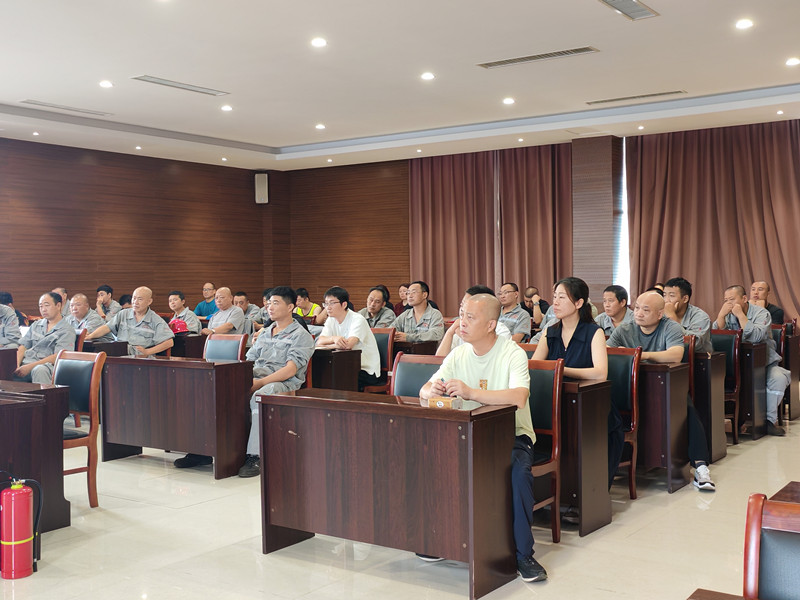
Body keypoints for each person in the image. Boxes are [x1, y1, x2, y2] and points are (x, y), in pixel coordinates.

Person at [419, 294, 546, 583]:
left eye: (470, 317)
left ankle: (523, 555)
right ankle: (439, 540)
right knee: (429, 461)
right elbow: (424, 389)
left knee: (518, 474)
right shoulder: (458, 353)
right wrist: (431, 391)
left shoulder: (512, 353)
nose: (461, 323)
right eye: (461, 315)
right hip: (467, 434)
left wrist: (471, 392)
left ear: (490, 325)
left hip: (511, 436)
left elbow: (519, 397)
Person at [609, 291, 716, 490]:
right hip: (630, 387)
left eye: (646, 310)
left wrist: (639, 355)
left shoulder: (670, 327)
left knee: (686, 409)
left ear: (660, 314)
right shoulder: (624, 329)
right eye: (637, 308)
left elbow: (675, 354)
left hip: (665, 385)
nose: (638, 313)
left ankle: (701, 467)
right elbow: (608, 352)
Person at [533, 278, 609, 495]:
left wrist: (561, 370)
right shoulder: (549, 332)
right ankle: (549, 492)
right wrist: (555, 370)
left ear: (578, 303)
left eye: (562, 297)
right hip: (554, 402)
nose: (555, 302)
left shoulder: (594, 332)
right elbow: (536, 366)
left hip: (589, 405)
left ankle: (581, 492)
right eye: (554, 297)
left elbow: (600, 373)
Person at [236, 286, 315, 477]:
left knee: (260, 395)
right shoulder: (265, 332)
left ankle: (255, 456)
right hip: (257, 377)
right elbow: (248, 361)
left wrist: (260, 383)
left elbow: (290, 370)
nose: (270, 307)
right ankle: (209, 452)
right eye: (269, 303)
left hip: (284, 383)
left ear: (290, 307)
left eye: (276, 303)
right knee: (221, 387)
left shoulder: (301, 335)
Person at [716, 285, 788, 436]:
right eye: (726, 300)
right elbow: (717, 336)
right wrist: (721, 316)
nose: (729, 303)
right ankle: (738, 420)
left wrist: (740, 315)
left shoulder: (762, 313)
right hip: (738, 364)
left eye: (732, 299)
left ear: (744, 298)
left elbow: (756, 337)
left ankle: (768, 422)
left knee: (779, 378)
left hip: (764, 363)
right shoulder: (728, 315)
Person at [316, 286, 381, 390]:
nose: (328, 307)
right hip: (345, 365)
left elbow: (348, 345)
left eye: (332, 303)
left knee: (335, 377)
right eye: (326, 304)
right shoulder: (331, 319)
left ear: (344, 304)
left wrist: (331, 345)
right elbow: (320, 341)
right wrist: (334, 339)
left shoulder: (357, 319)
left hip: (365, 369)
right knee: (323, 374)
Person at [86, 287, 174, 356]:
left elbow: (169, 342)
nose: (135, 302)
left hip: (140, 357)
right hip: (120, 353)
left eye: (140, 299)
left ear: (149, 301)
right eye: (134, 298)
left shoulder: (155, 320)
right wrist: (90, 336)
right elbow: (107, 327)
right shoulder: (123, 314)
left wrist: (147, 352)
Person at [14, 292, 76, 383]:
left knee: (39, 370)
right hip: (26, 363)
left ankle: (46, 393)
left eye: (47, 305)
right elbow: (23, 346)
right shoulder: (36, 325)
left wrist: (30, 367)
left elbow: (59, 356)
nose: (43, 309)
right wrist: (16, 365)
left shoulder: (67, 330)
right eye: (40, 306)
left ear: (58, 306)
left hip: (47, 367)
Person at [436, 285, 511, 356]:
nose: (462, 310)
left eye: (470, 315)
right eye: (462, 305)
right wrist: (450, 332)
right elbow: (439, 361)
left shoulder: (502, 332)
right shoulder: (460, 329)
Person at [662, 277, 712, 353]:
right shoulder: (661, 314)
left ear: (685, 299)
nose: (666, 300)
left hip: (697, 358)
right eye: (664, 295)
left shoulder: (701, 317)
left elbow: (695, 344)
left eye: (671, 296)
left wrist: (671, 316)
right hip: (669, 355)